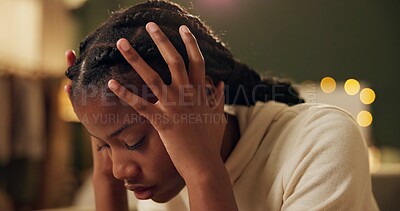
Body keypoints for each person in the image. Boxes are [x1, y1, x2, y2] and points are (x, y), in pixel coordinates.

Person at [64, 0, 378, 210]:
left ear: (210, 96)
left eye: (134, 141)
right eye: (103, 146)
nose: (121, 170)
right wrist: (106, 179)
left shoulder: (323, 142)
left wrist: (204, 175)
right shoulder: (161, 182)